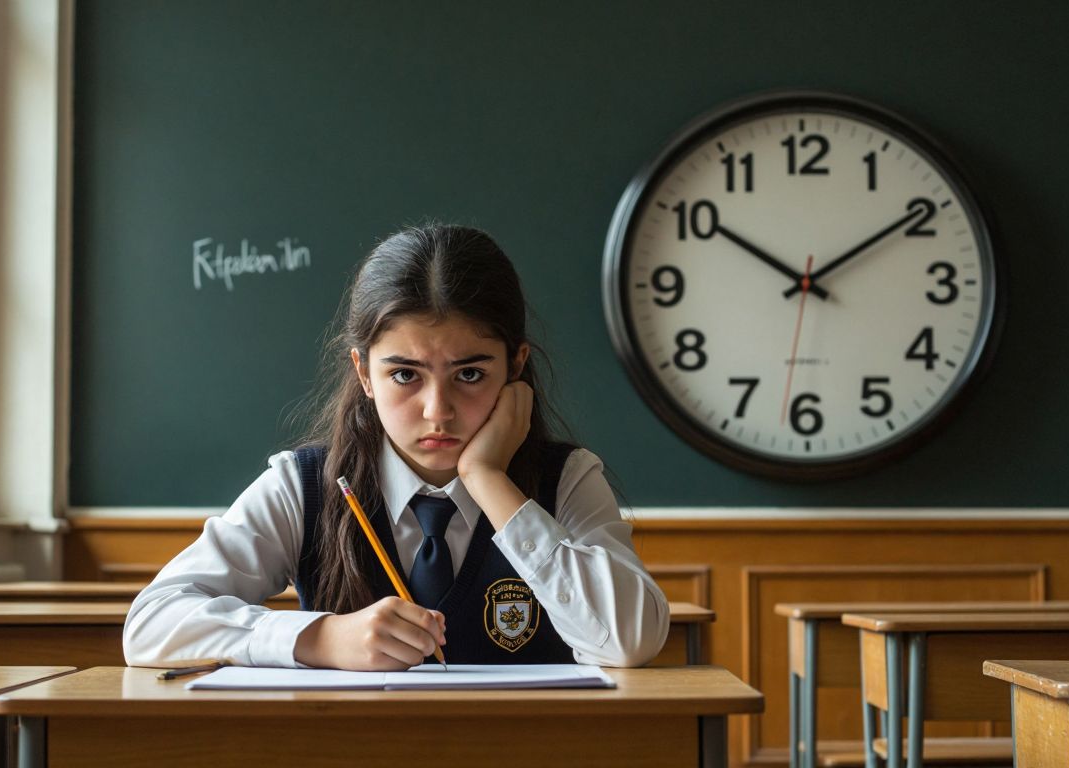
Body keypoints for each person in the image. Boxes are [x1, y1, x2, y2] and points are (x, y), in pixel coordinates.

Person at [123, 224, 670, 670]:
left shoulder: (567, 480)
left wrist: (488, 479)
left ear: (516, 366)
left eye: (471, 374)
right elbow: (151, 624)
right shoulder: (304, 484)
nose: (439, 410)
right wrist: (320, 638)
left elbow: (630, 640)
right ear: (363, 372)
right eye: (406, 375)